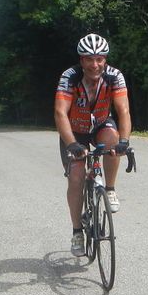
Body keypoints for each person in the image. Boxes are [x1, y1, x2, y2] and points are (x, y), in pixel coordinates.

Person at [55, 33, 132, 255]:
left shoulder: (114, 76)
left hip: (100, 123)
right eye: (89, 59)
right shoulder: (69, 77)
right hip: (74, 130)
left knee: (112, 139)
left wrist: (124, 142)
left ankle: (109, 189)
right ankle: (77, 232)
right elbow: (60, 112)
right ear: (81, 60)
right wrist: (71, 144)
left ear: (105, 59)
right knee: (77, 177)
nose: (94, 64)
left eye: (99, 59)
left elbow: (123, 110)